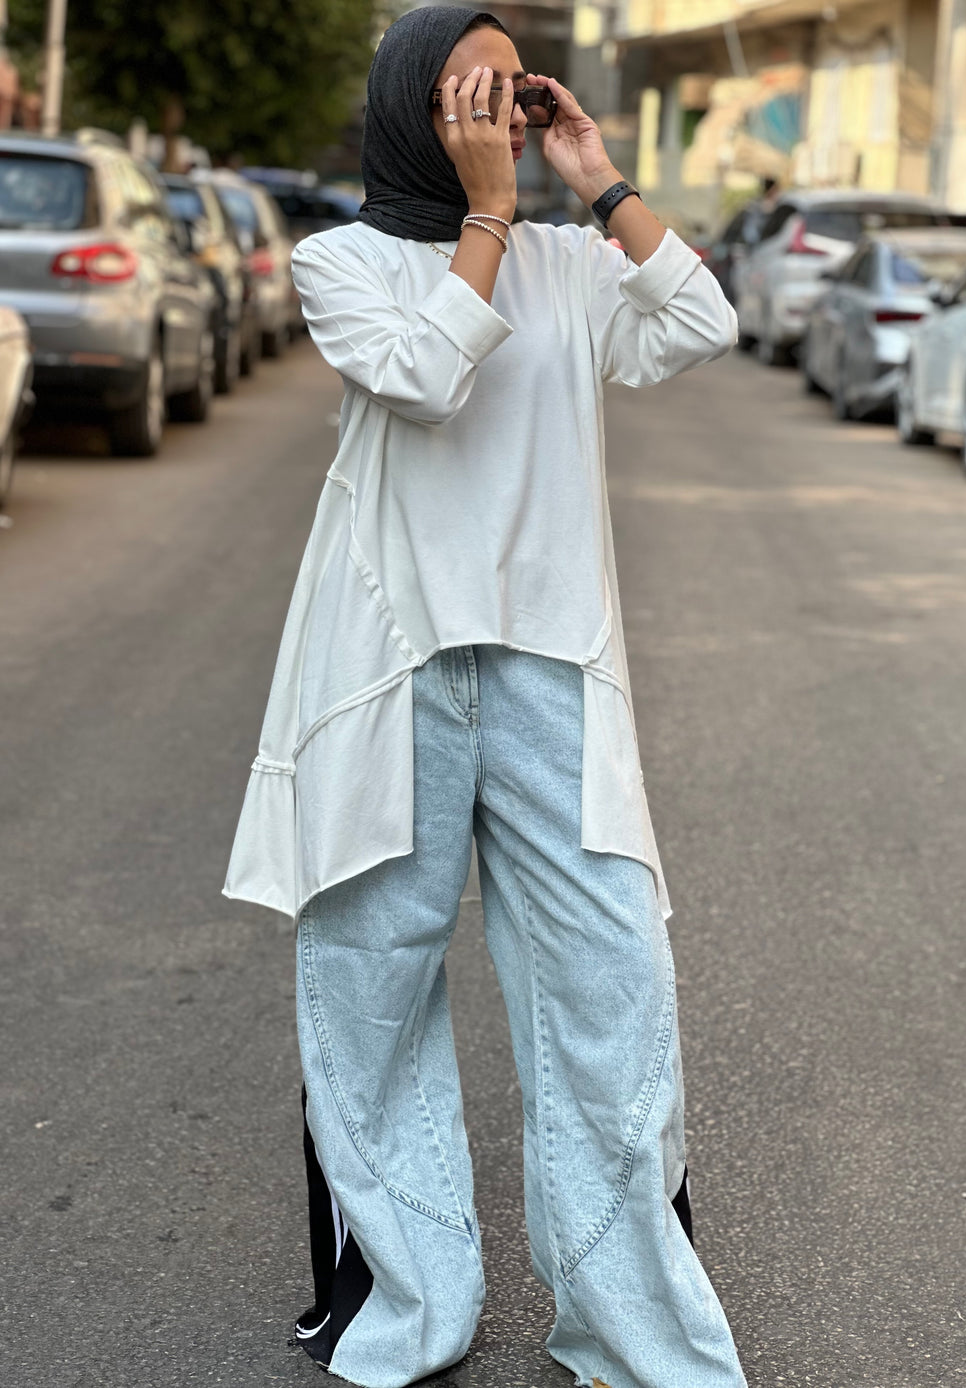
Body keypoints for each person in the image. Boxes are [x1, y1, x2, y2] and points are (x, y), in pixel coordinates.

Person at [223, 8, 747, 1387]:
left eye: (513, 88)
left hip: (549, 667)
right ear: (410, 100)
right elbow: (425, 376)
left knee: (614, 992)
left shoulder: (572, 261)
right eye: (469, 86)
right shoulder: (339, 259)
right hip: (391, 672)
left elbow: (701, 321)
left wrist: (593, 174)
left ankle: (636, 1333)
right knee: (371, 999)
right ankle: (408, 1309)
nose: (497, 110)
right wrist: (492, 219)